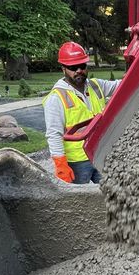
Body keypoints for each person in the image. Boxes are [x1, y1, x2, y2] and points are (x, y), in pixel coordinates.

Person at [43, 41, 120, 184]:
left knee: (111, 193)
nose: (79, 70)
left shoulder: (96, 85)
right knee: (78, 201)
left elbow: (122, 85)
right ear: (63, 69)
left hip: (100, 154)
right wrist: (61, 165)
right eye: (73, 67)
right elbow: (54, 134)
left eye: (82, 66)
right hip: (77, 162)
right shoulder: (56, 98)